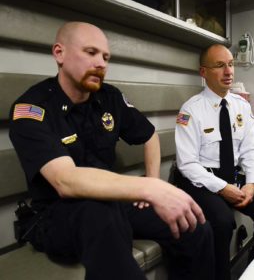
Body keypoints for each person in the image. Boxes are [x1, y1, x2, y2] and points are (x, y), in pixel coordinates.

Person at [9, 21, 215, 280]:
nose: (102, 63)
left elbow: (149, 135)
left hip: (111, 202)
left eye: (106, 57)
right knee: (101, 215)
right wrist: (150, 189)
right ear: (59, 53)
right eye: (91, 52)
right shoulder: (33, 108)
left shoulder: (109, 98)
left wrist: (153, 179)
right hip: (59, 214)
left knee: (194, 227)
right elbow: (65, 181)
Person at [174, 44, 254, 280]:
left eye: (231, 64)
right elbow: (187, 164)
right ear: (203, 72)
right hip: (201, 181)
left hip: (232, 176)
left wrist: (252, 183)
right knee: (222, 223)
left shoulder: (241, 106)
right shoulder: (191, 110)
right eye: (220, 65)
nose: (228, 71)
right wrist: (223, 188)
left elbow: (252, 151)